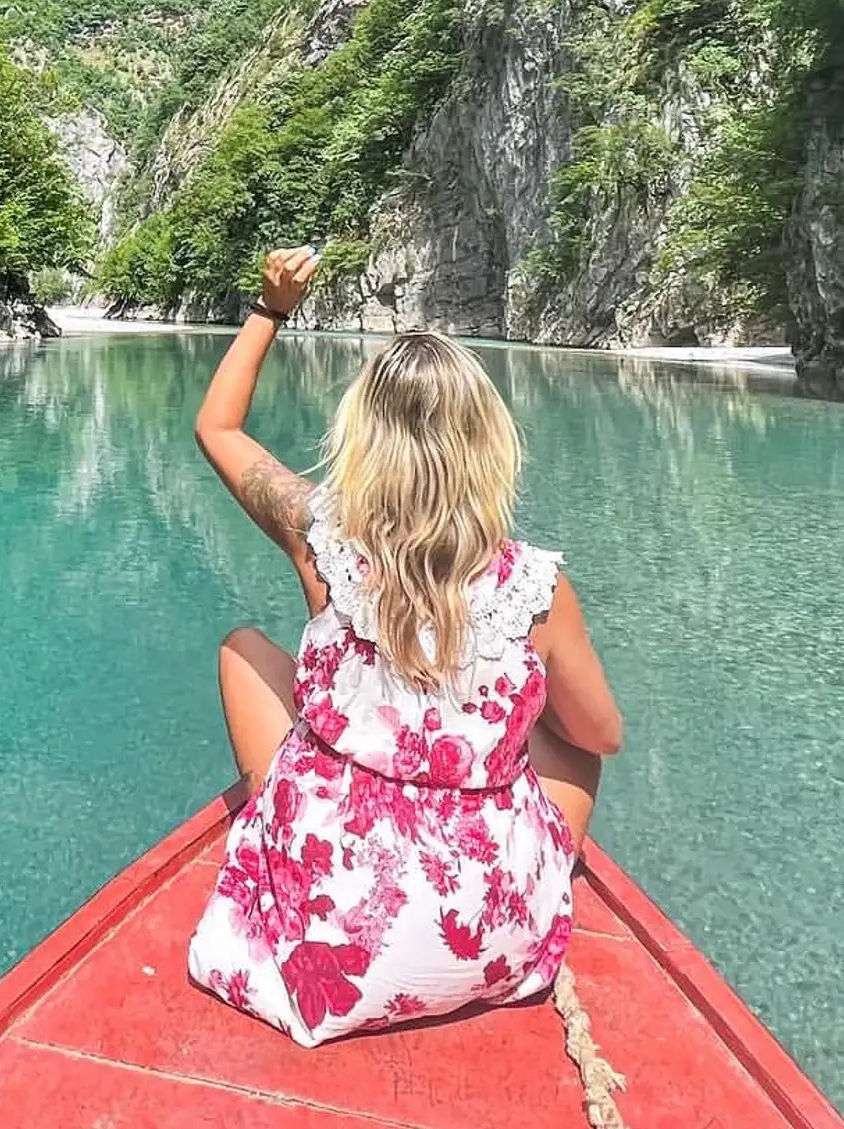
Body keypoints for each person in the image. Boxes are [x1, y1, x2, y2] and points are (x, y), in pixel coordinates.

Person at [186, 246, 623, 1046]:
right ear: (489, 446)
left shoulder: (319, 537)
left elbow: (216, 426)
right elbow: (602, 736)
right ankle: (517, 883)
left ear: (362, 439)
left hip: (337, 942)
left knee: (243, 645)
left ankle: (296, 836)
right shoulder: (535, 587)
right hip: (488, 943)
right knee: (571, 738)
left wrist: (270, 308)